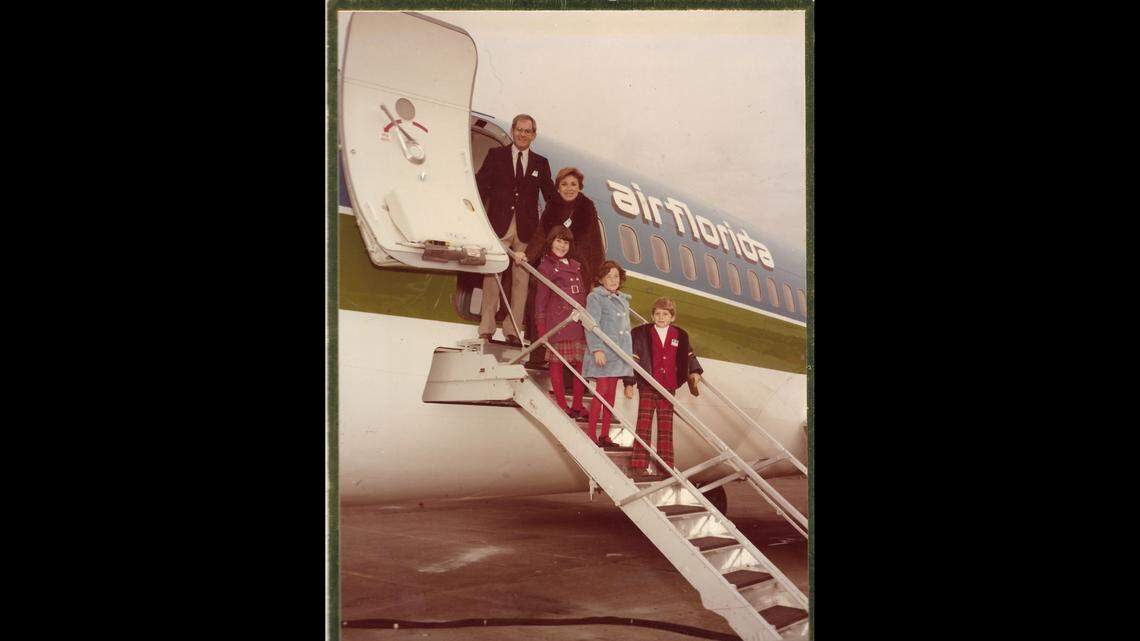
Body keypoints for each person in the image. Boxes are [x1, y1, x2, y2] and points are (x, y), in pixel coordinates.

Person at [474, 114, 557, 346]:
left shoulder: (541, 163)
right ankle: (486, 327)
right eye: (519, 130)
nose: (522, 134)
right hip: (499, 225)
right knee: (493, 275)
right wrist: (478, 219)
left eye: (527, 131)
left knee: (521, 280)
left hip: (526, 230)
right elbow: (481, 187)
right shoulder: (496, 155)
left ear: (534, 135)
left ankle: (513, 329)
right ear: (513, 131)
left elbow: (550, 196)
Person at [524, 166, 606, 365]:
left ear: (580, 187)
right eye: (564, 184)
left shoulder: (587, 209)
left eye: (573, 184)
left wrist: (597, 277)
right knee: (540, 302)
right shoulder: (551, 208)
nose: (569, 188)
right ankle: (538, 355)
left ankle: (573, 374)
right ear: (558, 187)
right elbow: (540, 236)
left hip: (579, 270)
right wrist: (525, 256)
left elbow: (596, 244)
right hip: (554, 267)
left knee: (574, 321)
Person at [626, 297, 704, 478]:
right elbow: (633, 360)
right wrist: (629, 383)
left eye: (665, 314)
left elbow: (690, 355)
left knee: (665, 428)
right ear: (652, 316)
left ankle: (666, 466)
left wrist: (695, 372)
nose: (661, 317)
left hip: (668, 387)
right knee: (643, 425)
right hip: (647, 385)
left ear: (672, 317)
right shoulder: (640, 333)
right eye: (658, 314)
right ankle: (639, 464)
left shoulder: (680, 335)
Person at [533, 226, 589, 419]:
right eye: (558, 241)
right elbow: (540, 300)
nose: (562, 245)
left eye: (565, 242)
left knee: (581, 366)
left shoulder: (576, 265)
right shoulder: (546, 267)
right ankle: (562, 403)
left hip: (577, 323)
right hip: (559, 323)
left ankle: (578, 404)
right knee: (556, 365)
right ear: (551, 242)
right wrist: (542, 329)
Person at [582, 261, 634, 448]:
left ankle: (604, 435)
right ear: (602, 278)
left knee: (611, 395)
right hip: (603, 353)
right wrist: (596, 349)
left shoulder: (623, 300)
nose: (613, 280)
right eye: (609, 276)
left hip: (618, 355)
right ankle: (591, 434)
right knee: (601, 393)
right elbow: (590, 324)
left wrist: (628, 356)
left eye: (616, 277)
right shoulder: (595, 298)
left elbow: (625, 330)